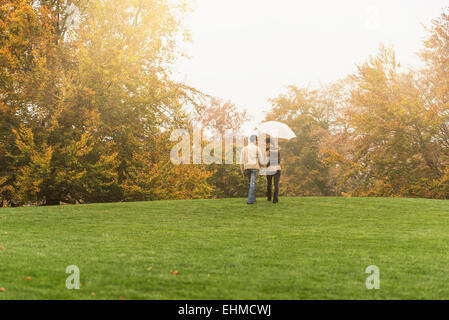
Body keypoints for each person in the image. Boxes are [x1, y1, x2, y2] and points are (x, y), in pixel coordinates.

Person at [240, 135, 267, 205]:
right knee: (252, 183)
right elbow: (261, 161)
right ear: (255, 140)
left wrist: (242, 171)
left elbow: (241, 162)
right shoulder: (257, 148)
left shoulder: (244, 149)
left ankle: (253, 198)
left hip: (247, 168)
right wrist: (264, 165)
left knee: (251, 183)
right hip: (255, 168)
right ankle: (250, 201)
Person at [264, 137, 281, 203]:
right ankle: (275, 199)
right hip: (277, 168)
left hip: (270, 169)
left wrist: (266, 165)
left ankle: (269, 197)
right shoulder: (277, 149)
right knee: (276, 184)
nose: (265, 145)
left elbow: (267, 160)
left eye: (266, 143)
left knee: (269, 183)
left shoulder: (267, 151)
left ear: (268, 143)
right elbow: (278, 160)